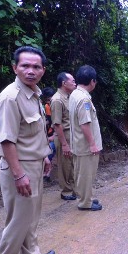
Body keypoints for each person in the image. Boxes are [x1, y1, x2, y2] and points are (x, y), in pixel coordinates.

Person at [0, 46, 55, 254]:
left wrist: (44, 158)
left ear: (43, 70)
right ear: (15, 68)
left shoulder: (34, 94)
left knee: (31, 213)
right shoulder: (11, 97)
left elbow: (34, 133)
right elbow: (7, 140)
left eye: (36, 67)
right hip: (18, 166)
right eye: (25, 66)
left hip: (35, 163)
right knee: (19, 216)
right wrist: (18, 174)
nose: (31, 71)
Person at [69, 65, 103, 211]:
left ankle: (86, 197)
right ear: (92, 81)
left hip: (78, 143)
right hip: (85, 145)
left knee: (81, 173)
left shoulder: (74, 94)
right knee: (86, 174)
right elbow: (85, 124)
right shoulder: (84, 100)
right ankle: (85, 203)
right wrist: (92, 144)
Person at [51, 72, 76, 200]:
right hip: (63, 137)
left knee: (71, 164)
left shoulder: (68, 97)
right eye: (72, 81)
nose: (75, 83)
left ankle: (72, 188)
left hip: (70, 136)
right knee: (65, 165)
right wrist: (64, 144)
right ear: (63, 83)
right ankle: (66, 191)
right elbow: (57, 124)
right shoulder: (57, 100)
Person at [41, 87, 56, 183]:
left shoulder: (57, 103)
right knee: (49, 151)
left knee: (51, 149)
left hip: (56, 133)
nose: (49, 101)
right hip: (50, 132)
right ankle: (46, 174)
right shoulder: (46, 106)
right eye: (47, 100)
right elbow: (49, 120)